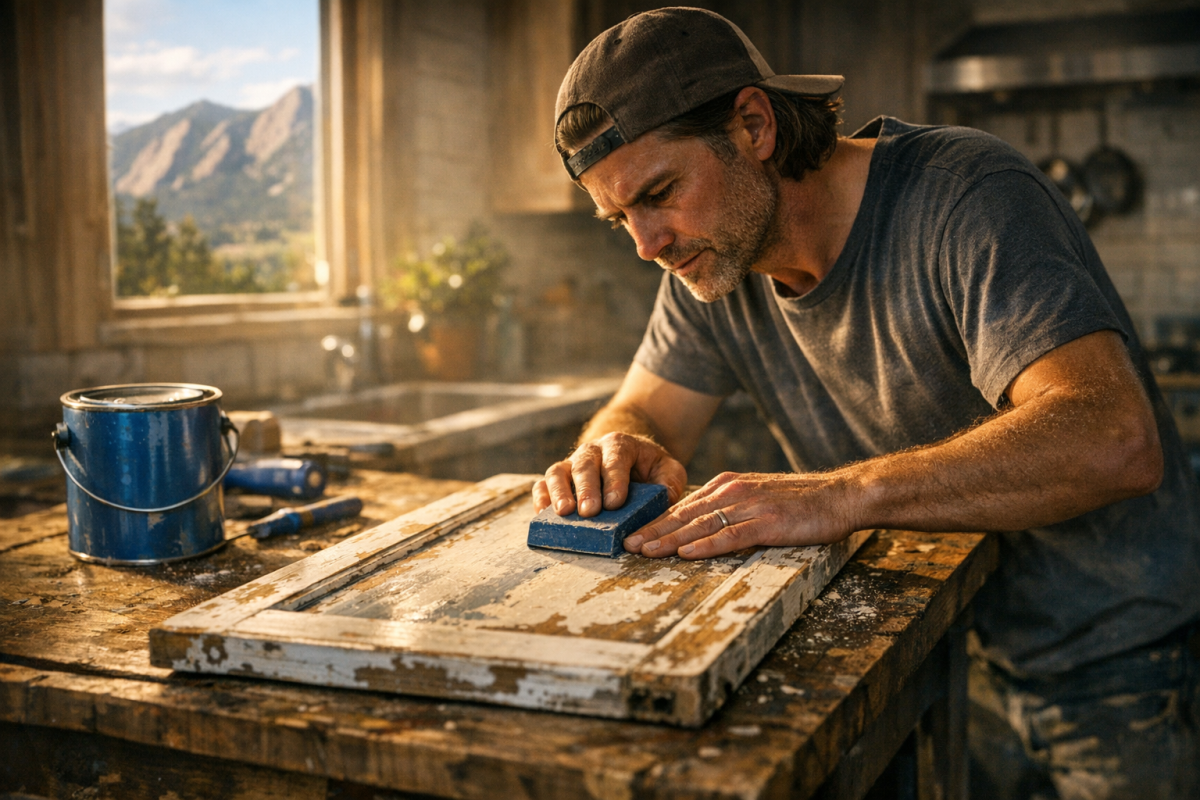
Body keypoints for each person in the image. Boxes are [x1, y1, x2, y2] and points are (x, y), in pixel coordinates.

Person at [533, 7, 1200, 800]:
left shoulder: (966, 195)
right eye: (620, 219)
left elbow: (1114, 438)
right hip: (942, 650)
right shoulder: (712, 266)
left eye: (660, 192)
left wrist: (842, 494)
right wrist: (615, 444)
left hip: (1124, 669)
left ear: (752, 125)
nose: (648, 243)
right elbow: (642, 410)